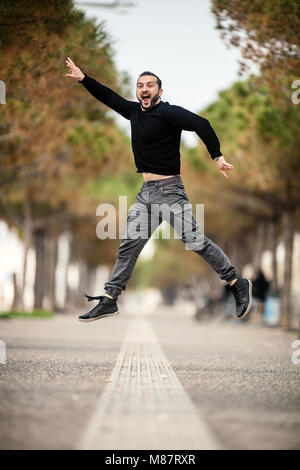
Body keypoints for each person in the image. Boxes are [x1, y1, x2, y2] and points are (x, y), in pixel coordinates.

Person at [65, 57, 252, 322]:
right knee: (128, 246)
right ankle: (110, 299)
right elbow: (108, 96)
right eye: (140, 85)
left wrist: (217, 157)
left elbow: (202, 124)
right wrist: (84, 78)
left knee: (195, 241)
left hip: (170, 191)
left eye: (150, 85)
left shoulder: (169, 113)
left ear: (159, 91)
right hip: (146, 193)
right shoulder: (132, 112)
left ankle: (235, 282)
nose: (144, 89)